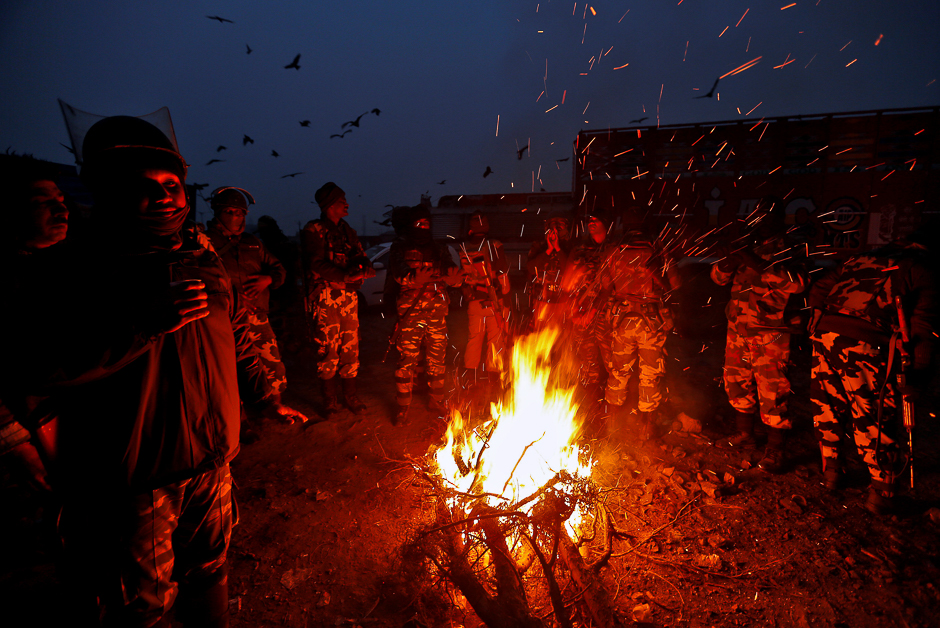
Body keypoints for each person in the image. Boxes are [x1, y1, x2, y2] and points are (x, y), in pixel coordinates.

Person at [2, 115, 306, 627]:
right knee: (140, 604)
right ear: (109, 192)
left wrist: (266, 397)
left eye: (171, 184)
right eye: (143, 186)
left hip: (212, 463)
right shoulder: (69, 272)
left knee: (209, 569)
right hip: (137, 478)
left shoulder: (203, 262)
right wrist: (141, 325)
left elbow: (237, 337)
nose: (164, 196)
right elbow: (38, 368)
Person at [807, 230, 935, 514]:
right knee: (872, 413)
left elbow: (818, 288)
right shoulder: (922, 270)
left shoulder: (863, 258)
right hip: (865, 342)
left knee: (827, 404)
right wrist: (918, 375)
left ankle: (832, 472)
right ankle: (882, 493)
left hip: (825, 334)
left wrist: (818, 320)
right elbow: (923, 329)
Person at [711, 211, 807, 472]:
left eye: (767, 218)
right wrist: (729, 262)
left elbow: (798, 284)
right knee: (736, 382)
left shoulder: (790, 247)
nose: (761, 224)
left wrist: (756, 262)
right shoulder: (746, 244)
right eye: (758, 218)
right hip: (738, 329)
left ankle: (775, 449)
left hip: (771, 333)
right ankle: (745, 435)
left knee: (772, 389)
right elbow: (718, 278)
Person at [0, 153, 69, 497]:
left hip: (73, 433)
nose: (62, 210)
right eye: (42, 203)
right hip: (32, 443)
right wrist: (13, 445)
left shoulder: (64, 266)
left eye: (60, 200)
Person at [593, 229, 680, 440]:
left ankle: (613, 425)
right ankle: (646, 427)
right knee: (650, 373)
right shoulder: (659, 249)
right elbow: (676, 285)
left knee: (618, 371)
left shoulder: (614, 250)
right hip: (651, 321)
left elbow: (606, 287)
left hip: (624, 319)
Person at [301, 182, 375, 415]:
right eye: (342, 201)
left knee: (350, 349)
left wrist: (363, 269)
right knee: (327, 350)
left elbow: (360, 256)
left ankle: (350, 397)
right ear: (330, 205)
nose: (347, 204)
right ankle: (330, 402)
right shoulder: (314, 230)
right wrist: (343, 274)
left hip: (348, 298)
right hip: (325, 298)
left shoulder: (347, 231)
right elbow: (315, 262)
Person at [207, 188, 289, 396]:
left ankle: (276, 405)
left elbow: (279, 269)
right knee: (231, 370)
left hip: (258, 318)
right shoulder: (206, 243)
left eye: (240, 212)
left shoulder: (252, 243)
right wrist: (231, 299)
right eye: (229, 211)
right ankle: (240, 420)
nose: (236, 216)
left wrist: (268, 279)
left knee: (272, 366)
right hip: (224, 321)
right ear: (217, 212)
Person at [389, 206, 462, 424]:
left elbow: (450, 270)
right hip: (410, 311)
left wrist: (454, 278)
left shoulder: (439, 248)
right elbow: (399, 273)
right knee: (407, 359)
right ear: (412, 226)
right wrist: (413, 279)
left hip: (437, 310)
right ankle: (403, 406)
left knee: (437, 357)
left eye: (427, 224)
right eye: (420, 224)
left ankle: (436, 401)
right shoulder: (400, 246)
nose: (425, 228)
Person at [560, 211, 613, 415]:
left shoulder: (613, 249)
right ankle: (593, 408)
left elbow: (614, 285)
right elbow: (567, 283)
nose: (591, 223)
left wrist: (595, 309)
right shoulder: (581, 249)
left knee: (612, 362)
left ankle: (614, 408)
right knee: (587, 361)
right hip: (581, 313)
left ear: (606, 223)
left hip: (606, 313)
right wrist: (574, 309)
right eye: (589, 220)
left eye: (596, 219)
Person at [459, 211, 510, 378]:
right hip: (493, 300)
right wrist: (506, 302)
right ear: (486, 227)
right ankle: (493, 379)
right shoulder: (494, 245)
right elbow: (502, 274)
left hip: (474, 301)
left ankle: (470, 377)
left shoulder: (463, 248)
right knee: (495, 340)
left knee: (474, 339)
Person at [526, 212, 572, 330]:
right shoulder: (539, 247)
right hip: (542, 300)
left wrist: (557, 248)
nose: (555, 232)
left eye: (559, 228)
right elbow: (531, 268)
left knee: (560, 336)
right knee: (541, 336)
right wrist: (548, 250)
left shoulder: (570, 248)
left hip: (562, 301)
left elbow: (569, 269)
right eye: (552, 228)